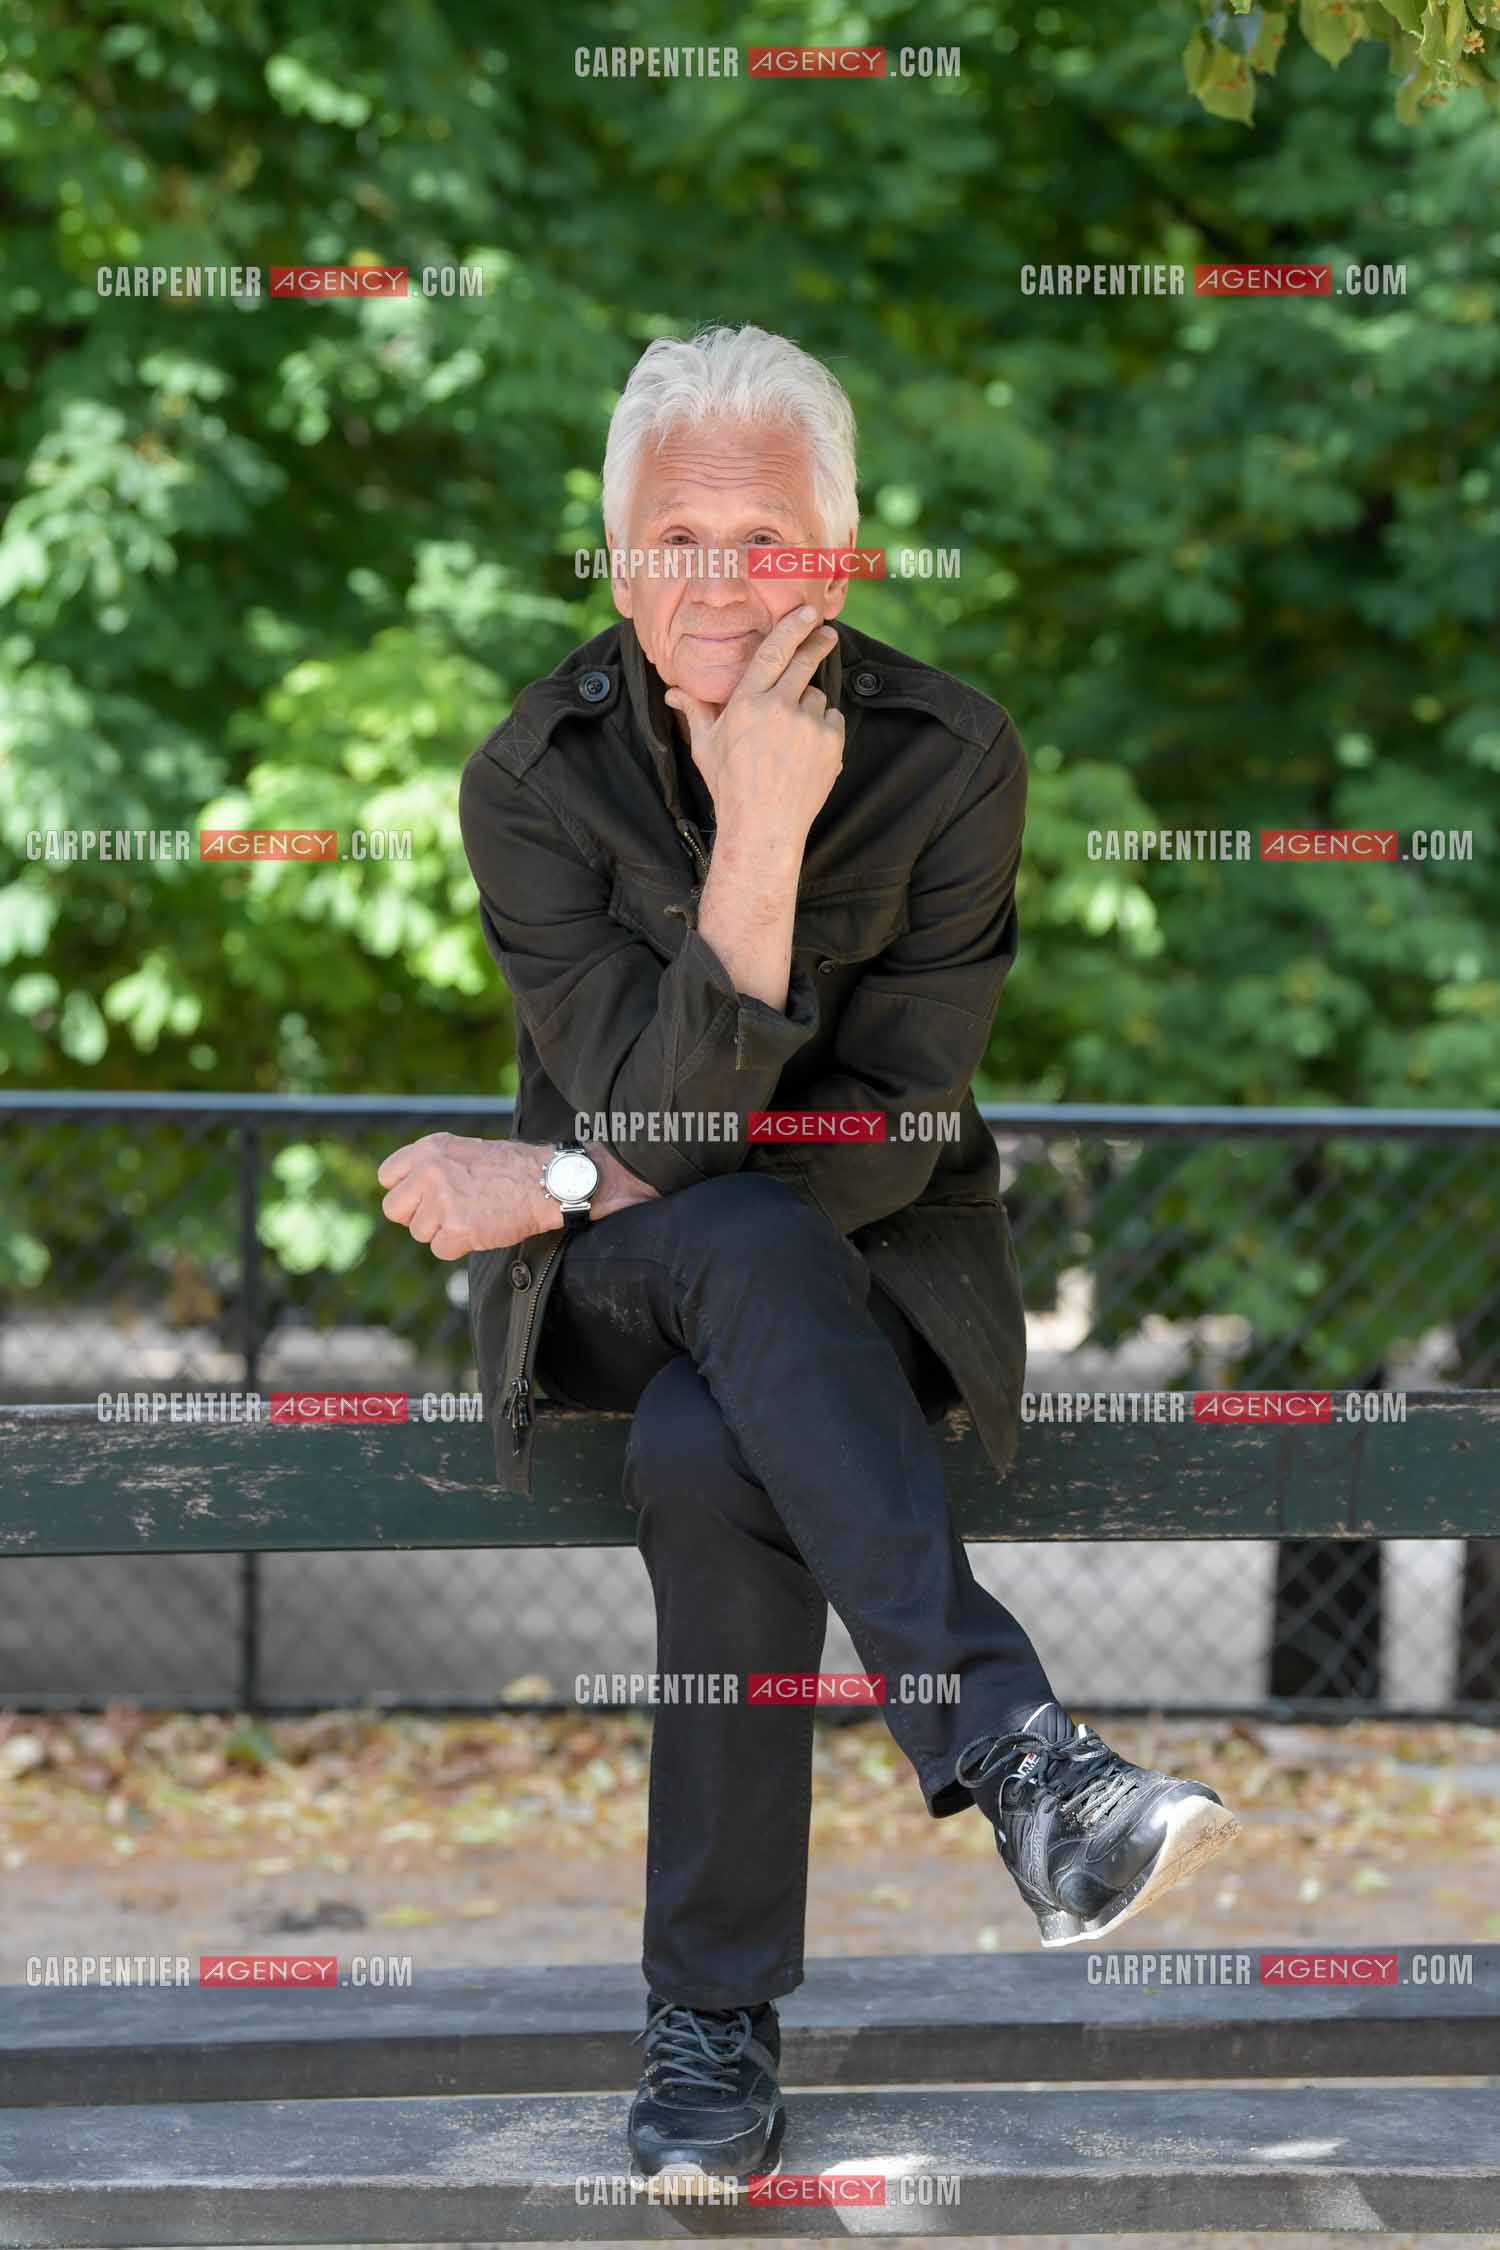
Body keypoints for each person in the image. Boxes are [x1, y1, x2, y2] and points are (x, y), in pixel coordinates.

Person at [378, 323, 1239, 2192]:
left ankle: (710, 2034)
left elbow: (889, 1122)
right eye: (674, 536)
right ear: (614, 555)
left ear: (836, 558)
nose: (718, 580)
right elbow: (670, 1141)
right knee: (723, 1238)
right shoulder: (533, 778)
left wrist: (548, 1172)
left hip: (869, 1270)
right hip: (611, 1295)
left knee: (716, 1434)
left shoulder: (949, 760)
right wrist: (755, 840)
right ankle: (1024, 1757)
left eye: (763, 538)